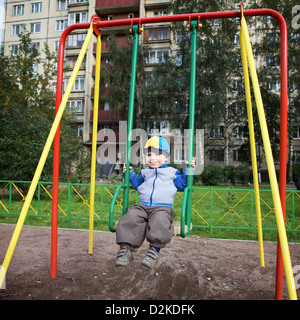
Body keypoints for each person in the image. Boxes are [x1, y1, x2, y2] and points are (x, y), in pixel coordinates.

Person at [115, 135, 195, 269]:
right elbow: (137, 185)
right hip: (143, 206)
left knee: (160, 221)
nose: (152, 158)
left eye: (158, 154)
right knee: (130, 217)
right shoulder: (145, 172)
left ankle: (153, 251)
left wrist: (188, 170)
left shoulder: (172, 172)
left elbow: (183, 184)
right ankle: (126, 250)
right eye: (149, 155)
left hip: (163, 208)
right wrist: (130, 174)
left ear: (166, 157)